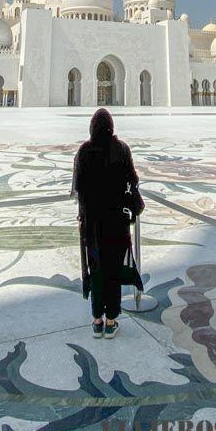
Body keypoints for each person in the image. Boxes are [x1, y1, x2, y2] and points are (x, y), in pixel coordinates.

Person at [71, 108, 140, 340]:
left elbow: (79, 189)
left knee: (97, 270)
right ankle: (111, 321)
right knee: (113, 271)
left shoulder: (83, 151)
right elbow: (132, 180)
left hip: (92, 225)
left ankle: (96, 320)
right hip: (116, 223)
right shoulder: (121, 149)